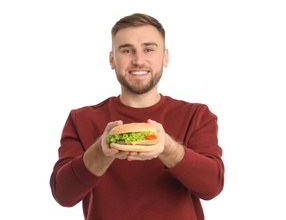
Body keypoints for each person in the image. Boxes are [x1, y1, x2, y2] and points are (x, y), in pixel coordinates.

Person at [50, 13, 224, 220]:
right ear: (112, 59)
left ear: (165, 57)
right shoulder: (81, 119)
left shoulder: (197, 115)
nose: (138, 60)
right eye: (127, 50)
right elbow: (63, 194)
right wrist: (102, 151)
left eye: (149, 49)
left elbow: (211, 187)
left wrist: (167, 147)